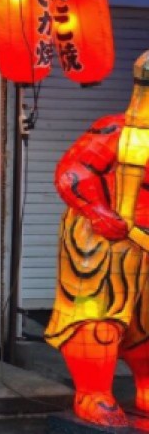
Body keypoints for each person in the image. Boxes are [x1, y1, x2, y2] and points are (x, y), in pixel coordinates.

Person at [44, 49, 149, 428]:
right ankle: (93, 391)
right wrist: (97, 211)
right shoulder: (117, 131)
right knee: (96, 318)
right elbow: (73, 170)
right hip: (106, 240)